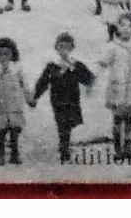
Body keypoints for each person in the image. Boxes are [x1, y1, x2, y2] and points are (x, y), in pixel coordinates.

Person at [31, 32, 96, 163]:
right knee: (62, 122)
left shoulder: (76, 64)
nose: (64, 50)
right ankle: (64, 148)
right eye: (61, 47)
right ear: (57, 48)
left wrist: (89, 86)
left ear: (72, 48)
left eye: (68, 47)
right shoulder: (53, 66)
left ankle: (65, 143)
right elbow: (43, 81)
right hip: (58, 99)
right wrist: (35, 96)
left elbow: (88, 77)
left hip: (72, 99)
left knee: (70, 122)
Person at [97, 12, 131, 160]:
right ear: (117, 27)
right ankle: (117, 148)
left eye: (130, 26)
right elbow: (104, 62)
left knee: (129, 118)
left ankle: (128, 146)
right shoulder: (112, 46)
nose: (126, 29)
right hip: (117, 86)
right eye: (123, 25)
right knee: (117, 118)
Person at [0, 37, 30, 165]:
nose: (3, 57)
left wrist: (28, 95)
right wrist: (1, 71)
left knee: (15, 130)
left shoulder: (17, 68)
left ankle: (15, 153)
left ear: (12, 54)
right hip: (0, 105)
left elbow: (24, 82)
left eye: (7, 54)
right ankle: (0, 153)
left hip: (14, 105)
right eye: (0, 54)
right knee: (0, 131)